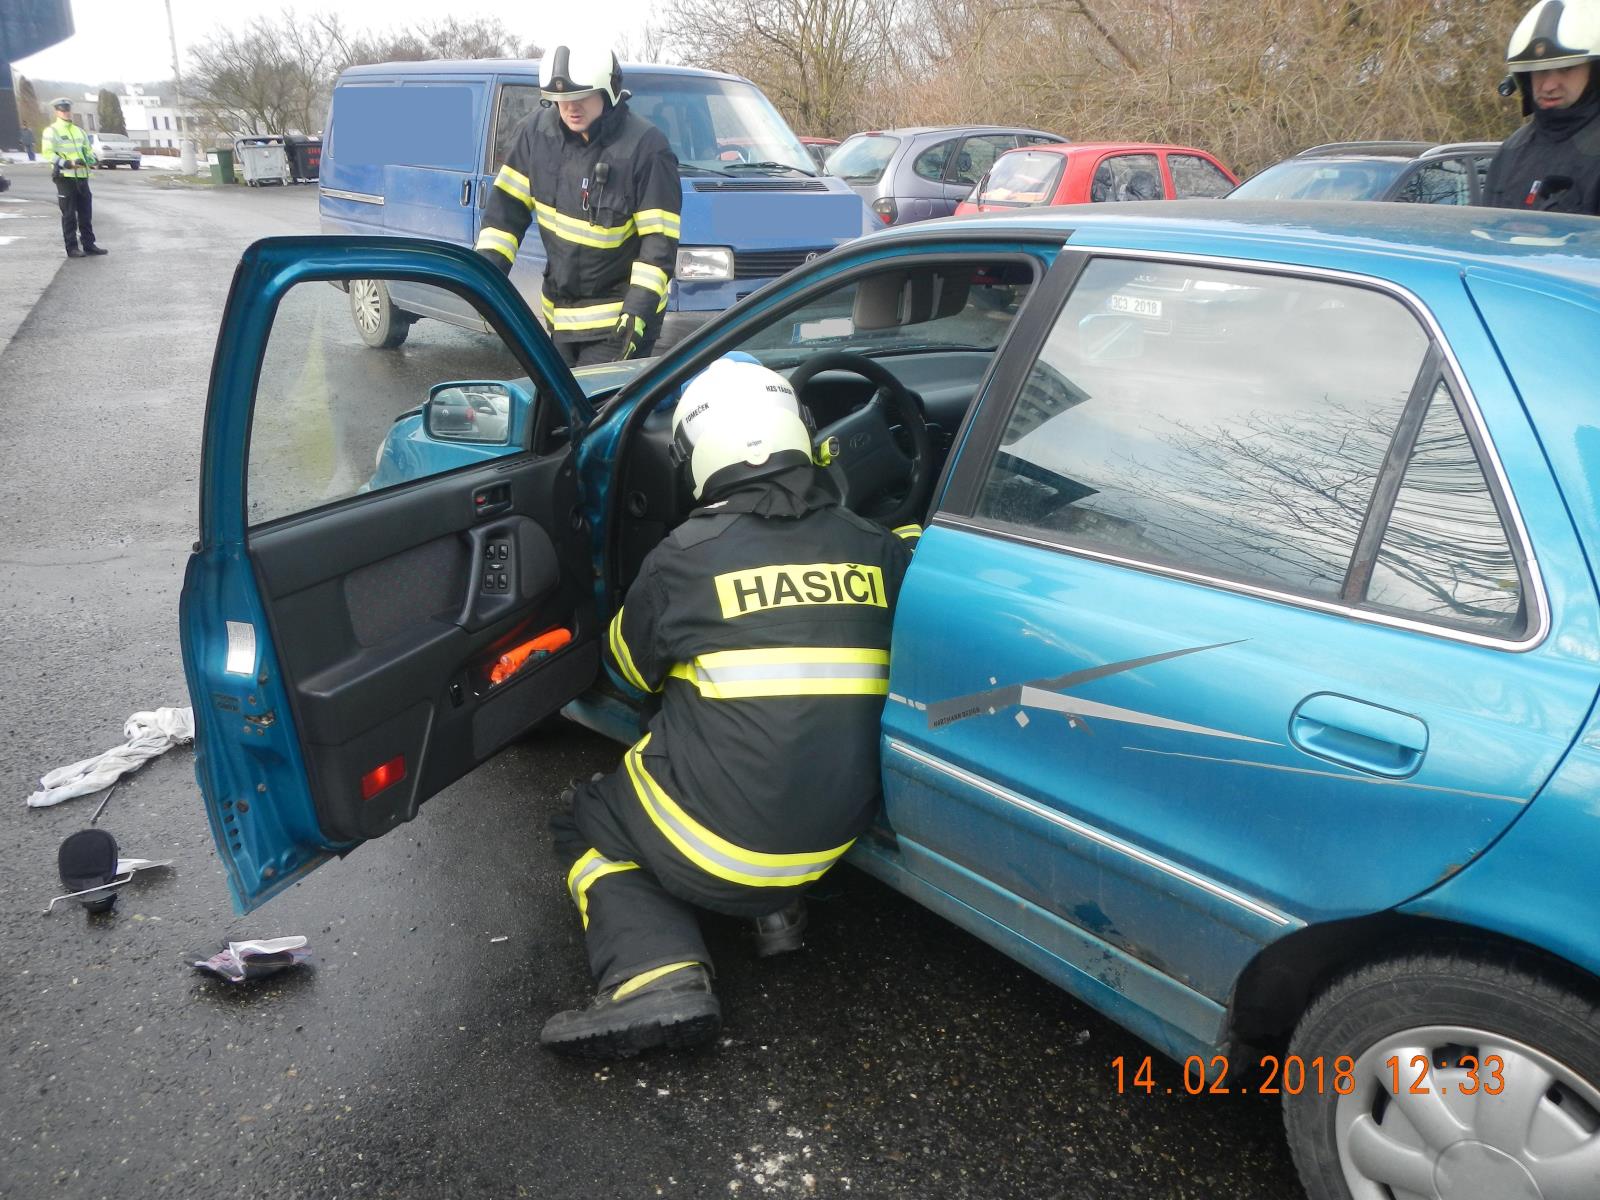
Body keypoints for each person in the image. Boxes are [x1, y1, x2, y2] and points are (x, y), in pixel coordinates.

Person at [541, 357, 915, 1059]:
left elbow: (625, 675)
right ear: (801, 434)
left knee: (588, 820)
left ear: (694, 459)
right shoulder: (882, 550)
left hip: (723, 844)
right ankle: (776, 911)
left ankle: (654, 978)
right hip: (838, 840)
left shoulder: (684, 558)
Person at [475, 44, 681, 366]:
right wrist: (484, 276)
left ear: (609, 91)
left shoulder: (646, 149)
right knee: (558, 412)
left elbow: (658, 243)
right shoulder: (536, 134)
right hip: (559, 317)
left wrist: (637, 311)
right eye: (561, 99)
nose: (570, 108)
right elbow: (505, 214)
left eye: (581, 97)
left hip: (618, 322)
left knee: (598, 414)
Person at [1485, 0, 1600, 213]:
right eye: (1539, 71)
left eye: (1566, 69)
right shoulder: (1512, 150)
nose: (1548, 85)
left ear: (1594, 73)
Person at [41, 99, 107, 258]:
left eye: (68, 110)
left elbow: (87, 150)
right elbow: (48, 153)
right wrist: (67, 163)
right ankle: (72, 247)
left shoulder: (79, 131)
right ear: (57, 112)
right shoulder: (52, 131)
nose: (66, 112)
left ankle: (89, 244)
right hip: (65, 177)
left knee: (86, 213)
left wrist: (91, 160)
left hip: (82, 176)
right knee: (69, 214)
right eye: (62, 110)